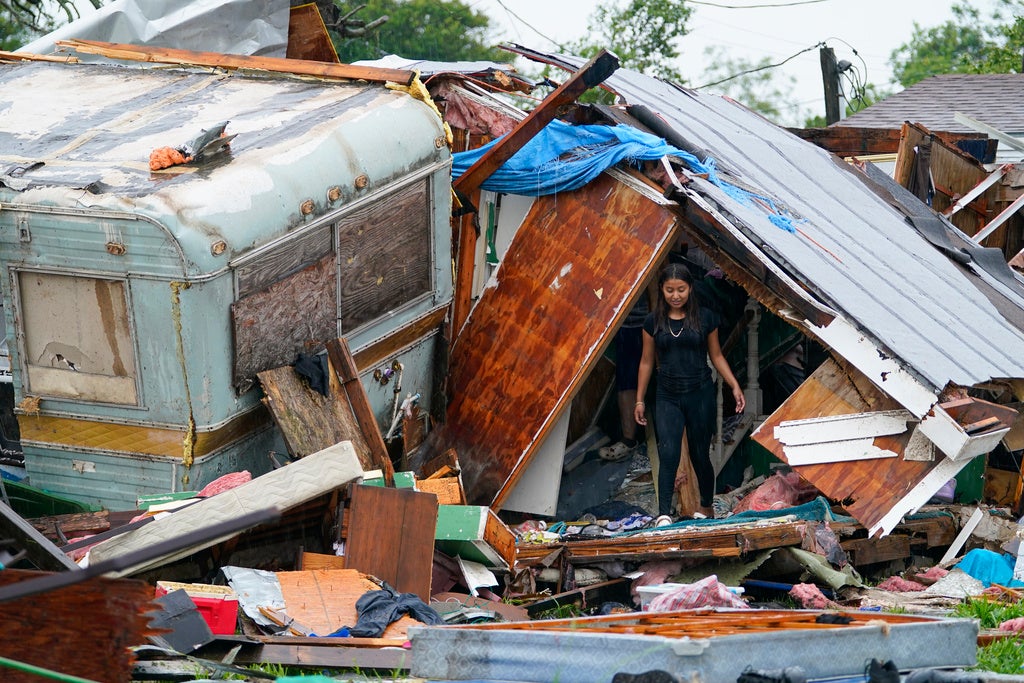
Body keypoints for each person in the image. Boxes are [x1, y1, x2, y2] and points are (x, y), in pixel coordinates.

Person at [634, 262, 745, 519]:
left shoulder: (705, 318)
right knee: (669, 452)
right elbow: (646, 361)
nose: (675, 296)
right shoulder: (653, 322)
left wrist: (734, 385)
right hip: (667, 396)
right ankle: (663, 515)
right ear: (662, 290)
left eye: (681, 290)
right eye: (670, 290)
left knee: (699, 455)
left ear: (690, 289)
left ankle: (706, 507)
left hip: (700, 394)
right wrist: (639, 399)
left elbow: (716, 356)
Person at [598, 294, 650, 462]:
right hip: (624, 322)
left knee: (663, 376)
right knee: (626, 379)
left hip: (652, 321)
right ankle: (628, 440)